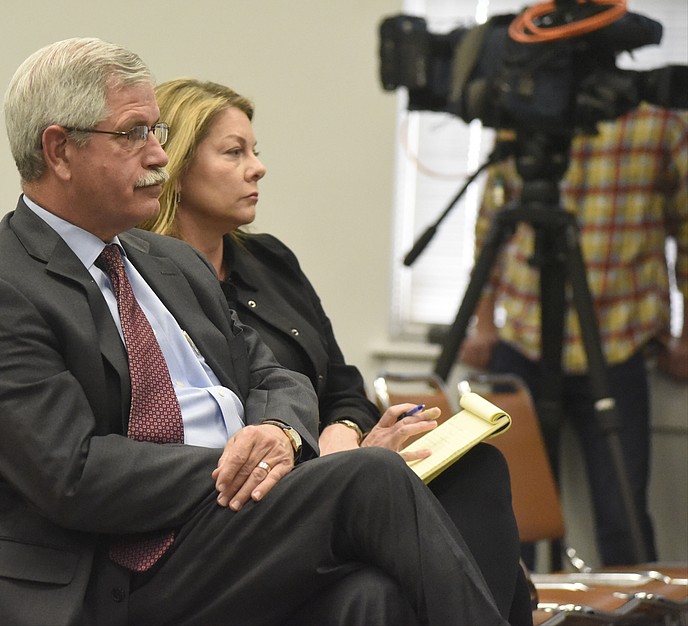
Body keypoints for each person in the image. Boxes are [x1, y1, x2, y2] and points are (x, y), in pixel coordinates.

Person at [0, 38, 513, 625]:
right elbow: (73, 475)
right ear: (59, 150)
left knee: (372, 596)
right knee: (369, 476)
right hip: (118, 573)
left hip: (231, 531)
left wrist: (279, 432)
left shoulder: (168, 262)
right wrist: (241, 461)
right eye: (134, 134)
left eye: (157, 133)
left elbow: (274, 373)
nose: (158, 156)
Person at [141, 78, 532, 624]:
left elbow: (343, 384)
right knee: (383, 581)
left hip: (341, 473)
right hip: (261, 500)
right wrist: (325, 458)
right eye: (235, 153)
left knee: (477, 467)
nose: (258, 168)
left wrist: (348, 433)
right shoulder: (145, 287)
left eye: (256, 151)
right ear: (178, 168)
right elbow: (210, 423)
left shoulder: (271, 262)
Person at [460, 104, 688, 567]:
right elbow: (491, 226)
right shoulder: (524, 115)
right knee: (505, 513)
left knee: (621, 516)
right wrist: (483, 324)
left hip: (616, 343)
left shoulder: (659, 125)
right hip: (521, 341)